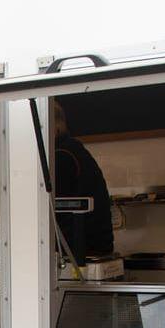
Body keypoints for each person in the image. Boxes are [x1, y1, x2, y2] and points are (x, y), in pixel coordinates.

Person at [52, 100, 114, 263]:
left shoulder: (62, 156)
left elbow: (53, 213)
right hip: (96, 248)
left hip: (81, 253)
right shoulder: (74, 149)